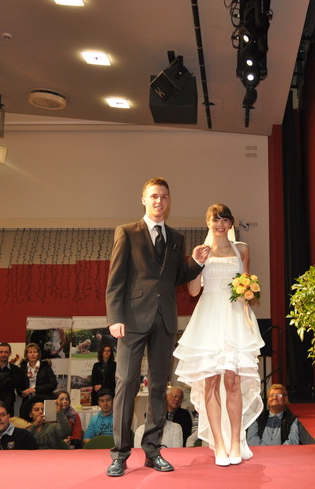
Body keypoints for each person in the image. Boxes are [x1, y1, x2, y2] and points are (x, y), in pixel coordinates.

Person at [104, 177, 209, 477]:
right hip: (132, 321)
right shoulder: (126, 232)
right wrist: (115, 317)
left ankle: (152, 451)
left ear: (168, 200)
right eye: (153, 196)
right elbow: (115, 279)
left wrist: (196, 263)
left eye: (163, 196)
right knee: (126, 384)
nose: (159, 201)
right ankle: (120, 455)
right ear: (144, 199)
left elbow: (176, 277)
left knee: (159, 386)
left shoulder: (176, 237)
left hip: (165, 321)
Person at [174, 203, 265, 466]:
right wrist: (197, 262)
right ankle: (219, 445)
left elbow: (248, 288)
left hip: (235, 317)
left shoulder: (242, 249)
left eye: (225, 220)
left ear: (231, 223)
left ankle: (236, 441)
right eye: (216, 220)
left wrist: (248, 291)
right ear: (208, 223)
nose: (220, 224)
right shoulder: (201, 251)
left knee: (233, 382)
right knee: (211, 383)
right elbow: (193, 291)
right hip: (209, 318)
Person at [17, 342, 57, 418]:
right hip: (28, 401)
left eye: (35, 352)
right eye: (30, 352)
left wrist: (35, 389)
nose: (32, 354)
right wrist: (22, 393)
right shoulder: (22, 368)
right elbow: (18, 386)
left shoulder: (45, 367)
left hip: (44, 399)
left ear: (38, 354)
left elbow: (53, 384)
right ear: (26, 355)